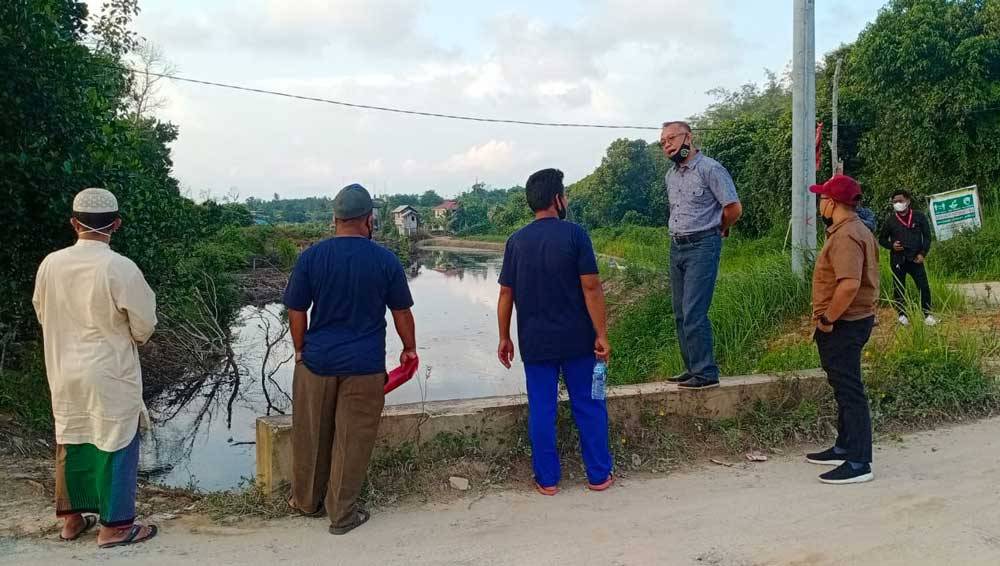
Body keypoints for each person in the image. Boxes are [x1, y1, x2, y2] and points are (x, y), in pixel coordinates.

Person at [283, 184, 417, 534]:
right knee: (352, 441)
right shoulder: (384, 260)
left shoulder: (312, 256)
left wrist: (299, 350)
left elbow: (296, 309)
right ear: (368, 220)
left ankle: (306, 501)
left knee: (310, 435)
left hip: (316, 362)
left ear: (335, 219)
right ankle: (342, 515)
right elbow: (401, 311)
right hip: (364, 365)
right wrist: (410, 348)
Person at [32, 188, 159, 547]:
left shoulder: (50, 264)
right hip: (108, 370)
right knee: (116, 439)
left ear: (74, 223)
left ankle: (72, 520)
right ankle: (115, 527)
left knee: (71, 435)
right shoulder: (119, 267)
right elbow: (144, 324)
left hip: (63, 367)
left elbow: (42, 312)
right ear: (116, 224)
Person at [497, 168, 614, 495]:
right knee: (589, 404)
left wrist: (504, 337)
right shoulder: (576, 235)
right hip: (578, 340)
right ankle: (598, 475)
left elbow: (506, 294)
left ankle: (547, 481)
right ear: (557, 199)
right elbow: (591, 288)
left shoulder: (516, 242)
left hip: (535, 342)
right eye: (565, 194)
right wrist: (602, 334)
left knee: (542, 409)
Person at [806, 175, 879, 484]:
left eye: (823, 198)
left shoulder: (847, 235)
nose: (820, 202)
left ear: (832, 203)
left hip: (845, 323)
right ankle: (845, 446)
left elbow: (848, 284)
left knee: (850, 390)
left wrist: (827, 319)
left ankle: (860, 462)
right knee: (843, 385)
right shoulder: (852, 230)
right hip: (851, 321)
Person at [660, 121, 742, 389]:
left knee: (694, 311)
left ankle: (706, 373)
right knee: (680, 313)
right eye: (663, 142)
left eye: (672, 138)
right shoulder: (670, 176)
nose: (668, 145)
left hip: (703, 245)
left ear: (689, 137)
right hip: (677, 246)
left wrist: (721, 228)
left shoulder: (710, 169)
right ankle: (691, 367)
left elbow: (733, 208)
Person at [878, 189, 936, 326]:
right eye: (895, 202)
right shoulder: (890, 221)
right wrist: (892, 245)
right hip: (898, 260)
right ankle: (902, 315)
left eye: (900, 201)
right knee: (898, 287)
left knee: (923, 287)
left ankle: (927, 315)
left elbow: (927, 237)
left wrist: (923, 253)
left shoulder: (919, 217)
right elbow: (881, 239)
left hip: (916, 259)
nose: (898, 204)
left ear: (908, 201)